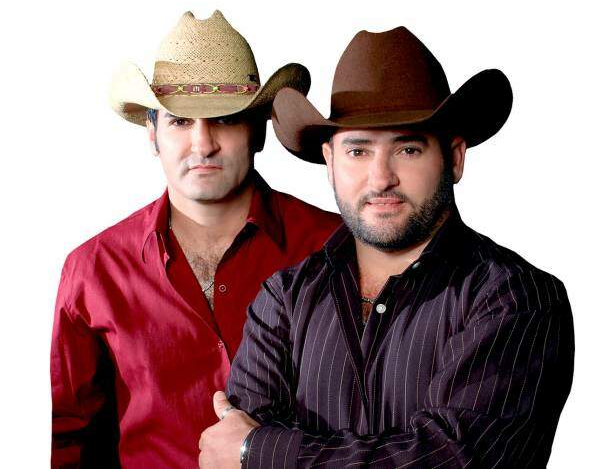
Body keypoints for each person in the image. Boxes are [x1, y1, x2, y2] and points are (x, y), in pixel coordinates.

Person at [198, 26, 574, 468]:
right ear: (330, 161)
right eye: (358, 152)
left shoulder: (515, 299)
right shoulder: (285, 299)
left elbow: (455, 458)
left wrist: (260, 450)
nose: (381, 179)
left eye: (408, 149)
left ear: (454, 158)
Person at [50, 10, 340, 468]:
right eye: (180, 122)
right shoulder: (93, 268)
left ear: (258, 131)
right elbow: (69, 439)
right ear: (153, 135)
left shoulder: (334, 246)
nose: (203, 145)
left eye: (225, 119)